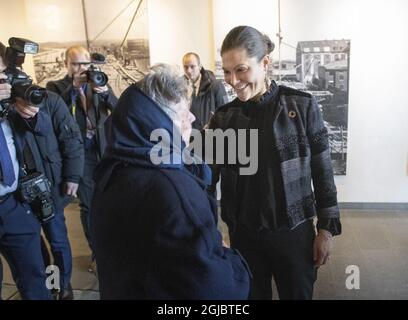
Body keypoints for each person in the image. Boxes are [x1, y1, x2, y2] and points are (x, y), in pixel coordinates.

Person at [90, 64, 250, 299]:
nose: (193, 118)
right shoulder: (172, 189)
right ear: (162, 122)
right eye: (185, 113)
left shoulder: (110, 171)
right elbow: (216, 290)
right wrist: (232, 260)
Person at [206, 26, 342, 300]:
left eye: (241, 69)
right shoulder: (223, 118)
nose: (233, 80)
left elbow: (323, 171)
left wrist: (326, 228)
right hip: (243, 235)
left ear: (265, 63)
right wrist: (209, 229)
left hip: (294, 233)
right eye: (227, 71)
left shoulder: (302, 106)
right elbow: (206, 181)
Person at [46, 46, 117, 271]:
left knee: (110, 201)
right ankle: (97, 253)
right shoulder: (55, 87)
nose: (81, 69)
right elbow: (54, 114)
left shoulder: (97, 80)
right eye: (75, 64)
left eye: (84, 64)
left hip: (104, 151)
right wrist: (73, 89)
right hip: (80, 155)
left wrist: (104, 91)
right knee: (89, 204)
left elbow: (118, 108)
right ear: (66, 65)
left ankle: (114, 249)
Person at [0, 42, 50, 300]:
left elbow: (42, 130)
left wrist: (31, 114)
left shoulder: (7, 102)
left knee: (35, 277)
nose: (1, 84)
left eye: (2, 76)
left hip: (13, 204)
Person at [182, 52, 228, 130]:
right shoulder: (182, 87)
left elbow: (225, 114)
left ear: (200, 67)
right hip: (191, 136)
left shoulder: (216, 86)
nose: (189, 71)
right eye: (186, 67)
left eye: (192, 66)